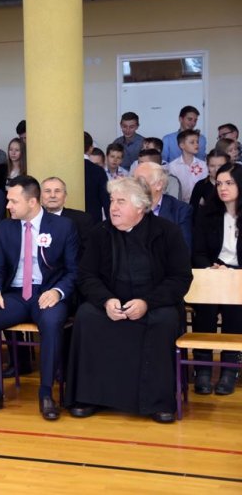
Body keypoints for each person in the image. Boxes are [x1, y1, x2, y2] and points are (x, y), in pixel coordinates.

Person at [66, 177, 192, 423]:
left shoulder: (168, 232)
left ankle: (157, 402)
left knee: (165, 320)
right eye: (112, 200)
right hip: (111, 304)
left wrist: (147, 303)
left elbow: (180, 278)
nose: (113, 207)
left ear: (140, 206)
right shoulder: (100, 233)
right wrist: (106, 300)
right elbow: (86, 275)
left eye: (121, 202)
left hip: (154, 305)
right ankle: (91, 397)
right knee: (86, 316)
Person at [0, 176, 79, 421]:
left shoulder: (63, 227)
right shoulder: (6, 227)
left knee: (51, 322)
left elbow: (74, 271)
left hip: (48, 293)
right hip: (15, 295)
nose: (8, 206)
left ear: (32, 202)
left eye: (13, 201)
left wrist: (58, 292)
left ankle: (46, 393)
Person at [192, 163, 242, 395]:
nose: (223, 188)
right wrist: (211, 268)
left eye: (229, 183)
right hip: (212, 273)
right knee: (206, 307)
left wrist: (234, 272)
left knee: (235, 309)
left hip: (239, 276)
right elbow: (198, 251)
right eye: (219, 183)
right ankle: (202, 368)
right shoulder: (207, 213)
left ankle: (229, 369)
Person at [168, 129, 208, 202]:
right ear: (182, 145)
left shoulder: (203, 165)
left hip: (199, 204)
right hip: (180, 204)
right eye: (192, 142)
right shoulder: (173, 166)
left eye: (197, 142)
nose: (196, 144)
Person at [84, 132, 110, 224]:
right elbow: (106, 201)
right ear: (91, 148)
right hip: (93, 221)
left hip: (67, 221)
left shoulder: (64, 168)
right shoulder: (98, 171)